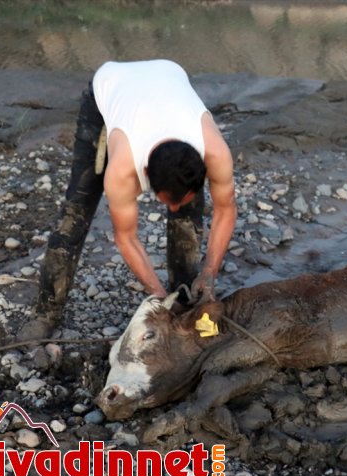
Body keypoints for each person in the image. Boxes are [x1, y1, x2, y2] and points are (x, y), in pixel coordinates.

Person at [19, 60, 236, 340]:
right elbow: (126, 237)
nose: (171, 209)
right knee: (78, 208)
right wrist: (158, 298)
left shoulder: (215, 153)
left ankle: (184, 296)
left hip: (167, 75)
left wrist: (209, 272)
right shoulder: (123, 169)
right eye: (166, 202)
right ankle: (46, 312)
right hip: (110, 84)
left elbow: (226, 210)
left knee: (187, 215)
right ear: (144, 176)